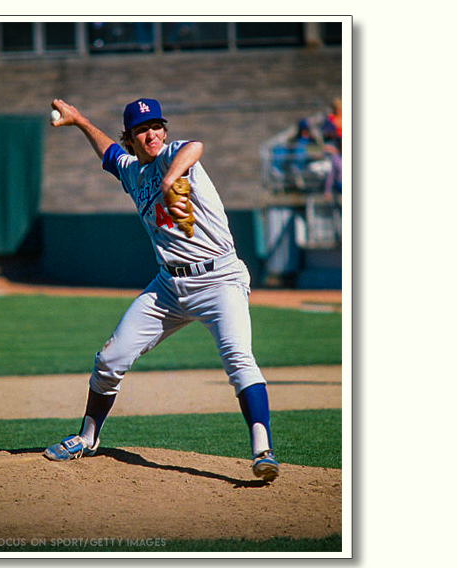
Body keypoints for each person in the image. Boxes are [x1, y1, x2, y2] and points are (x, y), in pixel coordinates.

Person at [42, 97, 280, 482]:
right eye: (141, 129)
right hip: (168, 286)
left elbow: (195, 147)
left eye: (156, 126)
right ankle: (87, 437)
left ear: (164, 131)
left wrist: (171, 178)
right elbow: (108, 154)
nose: (151, 134)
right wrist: (81, 121)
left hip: (219, 280)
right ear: (131, 138)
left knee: (238, 357)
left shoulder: (173, 155)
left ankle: (263, 450)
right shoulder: (133, 172)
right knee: (109, 358)